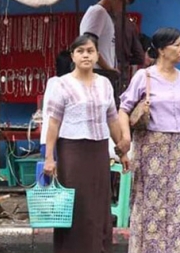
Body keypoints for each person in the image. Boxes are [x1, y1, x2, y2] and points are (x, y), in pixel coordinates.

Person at [118, 27, 180, 253]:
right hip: (150, 146)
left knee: (176, 202)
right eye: (177, 45)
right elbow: (123, 109)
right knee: (150, 202)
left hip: (178, 148)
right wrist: (126, 137)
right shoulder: (144, 76)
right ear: (161, 50)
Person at [43, 34, 130, 253]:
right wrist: (49, 157)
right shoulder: (61, 85)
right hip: (72, 151)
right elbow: (53, 123)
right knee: (76, 205)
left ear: (97, 55)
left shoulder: (105, 84)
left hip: (98, 150)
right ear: (72, 55)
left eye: (90, 51)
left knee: (99, 204)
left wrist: (121, 150)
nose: (86, 55)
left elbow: (112, 119)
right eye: (80, 51)